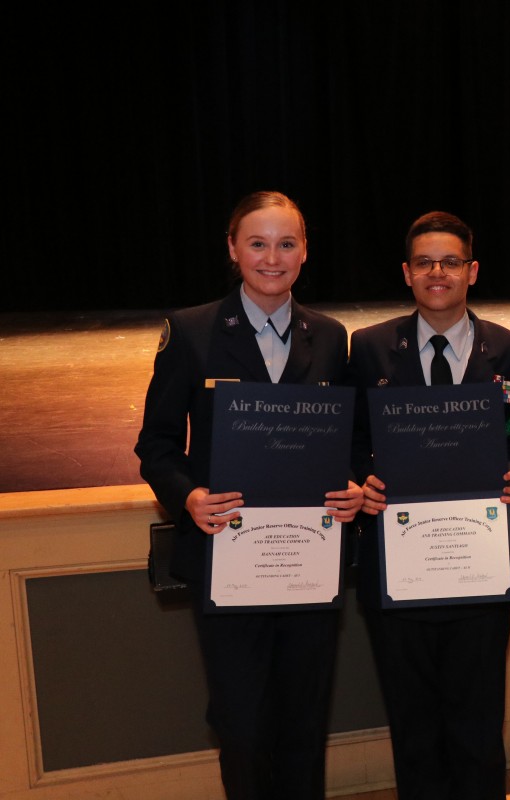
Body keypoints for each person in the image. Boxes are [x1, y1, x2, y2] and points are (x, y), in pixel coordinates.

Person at [134, 190, 364, 799]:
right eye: (257, 243)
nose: (272, 257)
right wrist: (188, 497)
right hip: (228, 562)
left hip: (307, 564)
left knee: (304, 723)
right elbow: (156, 446)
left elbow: (344, 443)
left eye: (286, 243)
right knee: (240, 723)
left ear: (305, 251)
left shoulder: (332, 337)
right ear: (233, 249)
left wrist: (349, 488)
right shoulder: (191, 332)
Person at [347, 211, 510, 799]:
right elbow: (351, 443)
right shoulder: (369, 348)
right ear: (406, 272)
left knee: (479, 727)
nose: (437, 272)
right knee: (414, 729)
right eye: (424, 262)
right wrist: (362, 482)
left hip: (478, 570)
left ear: (472, 271)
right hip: (398, 572)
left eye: (450, 261)